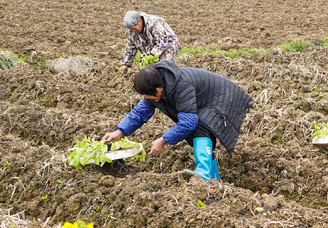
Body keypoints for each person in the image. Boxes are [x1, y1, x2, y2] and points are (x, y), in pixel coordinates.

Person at [102, 61, 253, 181]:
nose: (148, 98)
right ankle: (213, 181)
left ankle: (204, 174)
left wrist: (163, 140)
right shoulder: (155, 88)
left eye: (150, 94)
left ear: (159, 87)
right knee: (196, 128)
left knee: (199, 125)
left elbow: (189, 122)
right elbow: (140, 112)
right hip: (207, 98)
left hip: (225, 96)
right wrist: (120, 131)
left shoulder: (181, 85)